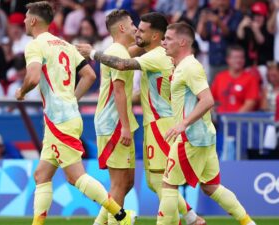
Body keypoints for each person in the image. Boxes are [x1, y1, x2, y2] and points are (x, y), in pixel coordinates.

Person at [77, 12, 205, 225]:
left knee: (156, 181)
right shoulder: (157, 53)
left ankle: (189, 219)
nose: (137, 30)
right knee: (144, 182)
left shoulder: (155, 56)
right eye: (134, 26)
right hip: (151, 123)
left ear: (155, 36)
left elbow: (122, 63)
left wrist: (93, 53)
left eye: (142, 30)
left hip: (159, 124)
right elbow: (128, 69)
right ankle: (190, 218)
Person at [14, 2, 135, 225]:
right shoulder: (65, 44)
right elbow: (89, 75)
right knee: (41, 175)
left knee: (75, 176)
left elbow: (31, 78)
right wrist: (71, 99)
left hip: (59, 120)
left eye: (25, 17)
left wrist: (21, 92)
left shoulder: (35, 45)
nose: (23, 21)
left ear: (33, 20)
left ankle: (121, 216)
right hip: (60, 119)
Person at [159, 22, 256, 225]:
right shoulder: (183, 66)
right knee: (211, 186)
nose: (163, 42)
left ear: (183, 42)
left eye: (168, 38)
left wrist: (183, 123)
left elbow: (208, 100)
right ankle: (248, 222)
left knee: (168, 186)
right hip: (203, 135)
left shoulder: (190, 67)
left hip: (191, 138)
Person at [92, 10, 139, 225]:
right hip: (114, 124)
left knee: (127, 182)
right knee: (119, 184)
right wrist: (126, 128)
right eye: (132, 23)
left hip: (118, 121)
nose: (135, 27)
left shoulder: (120, 50)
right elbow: (119, 91)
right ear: (122, 28)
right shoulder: (118, 53)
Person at [211, 45, 260, 113]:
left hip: (240, 121)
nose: (238, 60)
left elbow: (250, 103)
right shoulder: (220, 77)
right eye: (235, 57)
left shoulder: (251, 78)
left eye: (241, 57)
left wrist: (234, 119)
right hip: (220, 120)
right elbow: (211, 100)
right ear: (228, 59)